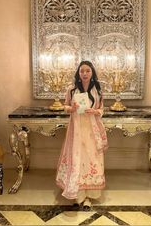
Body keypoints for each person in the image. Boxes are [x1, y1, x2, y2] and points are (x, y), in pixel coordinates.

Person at [56, 60, 108, 209]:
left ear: (92, 73)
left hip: (92, 130)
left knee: (92, 160)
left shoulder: (97, 90)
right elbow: (64, 107)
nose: (84, 73)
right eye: (81, 71)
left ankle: (89, 197)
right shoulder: (72, 89)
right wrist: (71, 108)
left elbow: (102, 109)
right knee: (77, 159)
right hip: (76, 129)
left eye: (87, 71)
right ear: (78, 73)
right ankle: (77, 194)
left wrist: (95, 111)